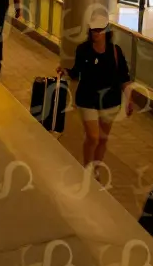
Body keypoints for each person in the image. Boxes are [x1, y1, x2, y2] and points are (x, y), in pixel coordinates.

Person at [57, 14, 135, 168]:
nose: (95, 33)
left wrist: (129, 100)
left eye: (99, 30)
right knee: (93, 137)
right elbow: (76, 72)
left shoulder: (115, 52)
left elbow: (124, 79)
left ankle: (96, 170)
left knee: (103, 139)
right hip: (87, 99)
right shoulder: (83, 50)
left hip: (110, 101)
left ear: (107, 31)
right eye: (93, 30)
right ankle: (87, 168)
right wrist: (65, 72)